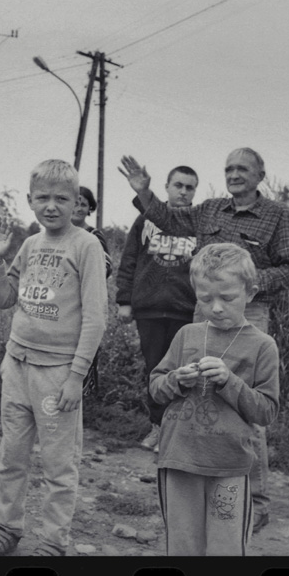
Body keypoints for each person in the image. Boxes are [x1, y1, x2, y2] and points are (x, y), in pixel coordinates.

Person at [118, 148, 289, 534]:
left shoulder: (278, 215)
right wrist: (145, 192)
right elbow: (168, 217)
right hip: (204, 314)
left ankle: (255, 501)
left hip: (249, 313)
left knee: (246, 408)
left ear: (260, 175)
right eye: (229, 168)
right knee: (200, 393)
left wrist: (245, 285)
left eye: (243, 169)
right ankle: (200, 481)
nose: (234, 174)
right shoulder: (211, 209)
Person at [0, 159, 107, 557]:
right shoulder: (30, 244)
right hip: (17, 366)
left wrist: (75, 377)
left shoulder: (86, 246)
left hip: (58, 372)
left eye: (62, 198)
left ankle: (52, 541)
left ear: (76, 201)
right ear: (31, 201)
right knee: (11, 455)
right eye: (43, 197)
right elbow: (5, 300)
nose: (52, 205)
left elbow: (96, 318)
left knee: (58, 465)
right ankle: (7, 527)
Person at [149, 243, 279, 555]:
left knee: (226, 550)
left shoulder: (263, 346)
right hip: (178, 459)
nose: (216, 307)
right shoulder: (187, 334)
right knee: (183, 547)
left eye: (227, 298)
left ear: (250, 293)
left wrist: (229, 381)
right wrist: (177, 380)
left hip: (229, 465)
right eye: (205, 299)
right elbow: (155, 387)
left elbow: (266, 412)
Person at [116, 166, 199, 452]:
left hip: (186, 312)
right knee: (155, 371)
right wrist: (125, 301)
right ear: (166, 186)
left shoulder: (197, 223)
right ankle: (157, 427)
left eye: (190, 187)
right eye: (178, 185)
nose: (183, 192)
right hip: (149, 310)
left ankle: (178, 431)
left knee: (185, 372)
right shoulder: (145, 220)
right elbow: (128, 260)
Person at [70, 186, 112, 400]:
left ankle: (84, 395)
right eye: (74, 202)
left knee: (84, 345)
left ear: (90, 209)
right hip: (61, 305)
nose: (78, 207)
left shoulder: (94, 236)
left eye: (83, 204)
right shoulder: (58, 233)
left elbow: (106, 266)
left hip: (85, 301)